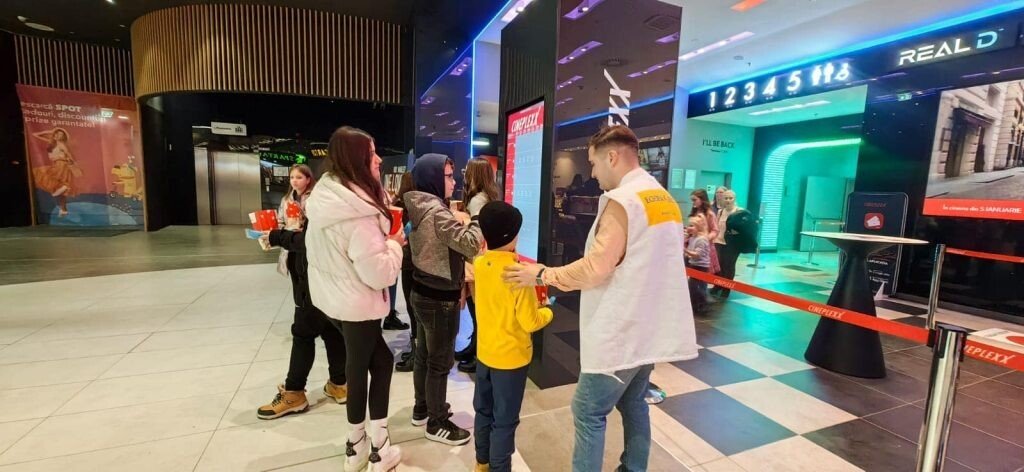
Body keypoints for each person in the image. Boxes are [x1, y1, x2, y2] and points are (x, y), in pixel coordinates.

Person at [504, 125, 697, 472]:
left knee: (587, 410)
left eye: (593, 163)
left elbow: (595, 268)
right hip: (649, 326)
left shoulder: (624, 201)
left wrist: (543, 274)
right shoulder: (662, 199)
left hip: (621, 330)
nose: (592, 174)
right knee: (634, 402)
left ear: (612, 156)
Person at [306, 126, 405, 472]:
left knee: (377, 361)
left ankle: (366, 443)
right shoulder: (358, 214)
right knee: (363, 365)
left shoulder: (326, 198)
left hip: (333, 300)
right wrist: (394, 244)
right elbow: (379, 273)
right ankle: (368, 448)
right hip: (357, 303)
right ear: (356, 159)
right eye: (371, 153)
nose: (378, 160)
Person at [256, 165, 349, 421]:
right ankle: (339, 383)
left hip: (314, 275)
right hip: (325, 276)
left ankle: (294, 392)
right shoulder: (339, 198)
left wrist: (277, 237)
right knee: (330, 329)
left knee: (303, 332)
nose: (295, 181)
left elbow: (310, 241)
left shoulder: (323, 199)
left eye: (300, 176)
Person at [404, 153, 483, 446]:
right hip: (439, 297)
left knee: (424, 356)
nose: (453, 182)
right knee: (439, 363)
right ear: (433, 179)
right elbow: (471, 245)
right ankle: (437, 422)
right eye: (448, 176)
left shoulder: (416, 205)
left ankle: (422, 408)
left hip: (421, 291)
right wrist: (476, 220)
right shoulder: (437, 212)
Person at [472, 201, 553, 472]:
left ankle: (481, 463)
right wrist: (547, 311)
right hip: (511, 359)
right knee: (504, 421)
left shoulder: (480, 263)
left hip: (485, 353)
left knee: (484, 411)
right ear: (512, 235)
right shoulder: (518, 274)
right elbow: (530, 321)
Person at [455, 157, 502, 374]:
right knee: (479, 308)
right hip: (485, 257)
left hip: (475, 259)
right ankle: (474, 346)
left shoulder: (477, 200)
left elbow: (475, 233)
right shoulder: (489, 196)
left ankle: (478, 353)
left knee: (477, 308)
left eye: (468, 170)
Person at [394, 172, 419, 373]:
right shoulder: (413, 205)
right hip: (412, 261)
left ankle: (417, 353)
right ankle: (415, 350)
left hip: (409, 262)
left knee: (414, 310)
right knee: (413, 309)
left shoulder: (400, 205)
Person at [31, 128, 81, 217]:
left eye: (61, 135)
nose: (58, 136)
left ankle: (65, 187)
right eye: (57, 134)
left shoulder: (62, 145)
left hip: (61, 164)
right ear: (54, 135)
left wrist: (72, 163)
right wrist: (51, 132)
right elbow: (35, 135)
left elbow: (69, 155)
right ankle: (63, 209)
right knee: (61, 191)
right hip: (57, 164)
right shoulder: (52, 143)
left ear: (63, 137)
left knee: (46, 175)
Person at [711, 189, 743, 299]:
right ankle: (718, 285)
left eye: (730, 198)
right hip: (719, 241)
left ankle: (726, 288)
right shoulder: (720, 212)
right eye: (726, 198)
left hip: (732, 244)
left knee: (728, 266)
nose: (728, 200)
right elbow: (717, 226)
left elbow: (745, 228)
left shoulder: (739, 211)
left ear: (734, 199)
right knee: (719, 266)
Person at [689, 189, 720, 275]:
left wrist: (705, 238)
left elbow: (715, 230)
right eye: (692, 200)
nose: (693, 202)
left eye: (695, 200)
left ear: (702, 200)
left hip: (705, 246)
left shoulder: (709, 214)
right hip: (694, 244)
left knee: (704, 274)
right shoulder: (695, 212)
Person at [685, 214, 712, 314]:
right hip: (694, 265)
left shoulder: (701, 239)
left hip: (701, 267)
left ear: (699, 227)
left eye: (692, 225)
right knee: (694, 286)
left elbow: (697, 255)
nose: (688, 227)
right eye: (689, 225)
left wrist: (685, 251)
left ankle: (702, 305)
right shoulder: (692, 238)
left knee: (699, 287)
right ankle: (695, 305)